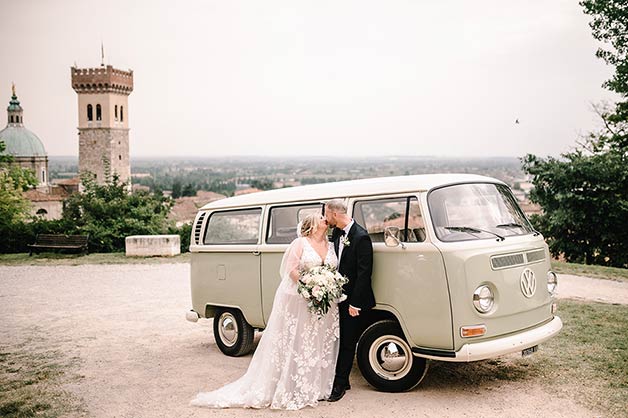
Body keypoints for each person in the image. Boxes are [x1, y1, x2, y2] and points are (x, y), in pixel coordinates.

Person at [190, 213, 340, 410]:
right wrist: (309, 288)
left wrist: (327, 286)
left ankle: (316, 386)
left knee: (318, 341)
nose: (325, 219)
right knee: (298, 340)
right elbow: (292, 269)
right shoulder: (300, 243)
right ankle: (294, 386)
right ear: (312, 224)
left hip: (326, 303)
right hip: (301, 299)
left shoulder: (331, 244)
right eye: (321, 217)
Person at [324, 198, 375, 402]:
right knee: (337, 338)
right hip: (337, 297)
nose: (325, 218)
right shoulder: (337, 232)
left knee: (347, 342)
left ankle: (339, 384)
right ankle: (342, 380)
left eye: (327, 214)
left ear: (335, 214)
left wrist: (355, 303)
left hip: (354, 300)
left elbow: (365, 273)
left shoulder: (361, 237)